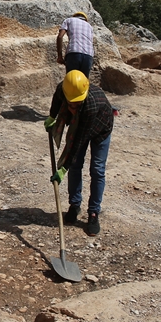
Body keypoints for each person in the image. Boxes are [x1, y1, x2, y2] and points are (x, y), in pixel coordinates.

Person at [45, 70, 114, 237]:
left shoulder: (90, 105)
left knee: (97, 169)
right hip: (83, 125)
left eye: (77, 104)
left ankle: (93, 213)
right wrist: (52, 117)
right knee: (76, 165)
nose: (74, 106)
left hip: (101, 128)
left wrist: (63, 168)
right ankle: (74, 205)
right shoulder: (65, 88)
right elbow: (57, 98)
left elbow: (78, 141)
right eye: (72, 104)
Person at [56, 11, 94, 76]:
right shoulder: (89, 26)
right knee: (83, 82)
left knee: (71, 79)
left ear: (74, 17)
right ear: (85, 19)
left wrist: (60, 56)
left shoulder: (69, 20)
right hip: (89, 54)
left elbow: (60, 36)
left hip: (74, 52)